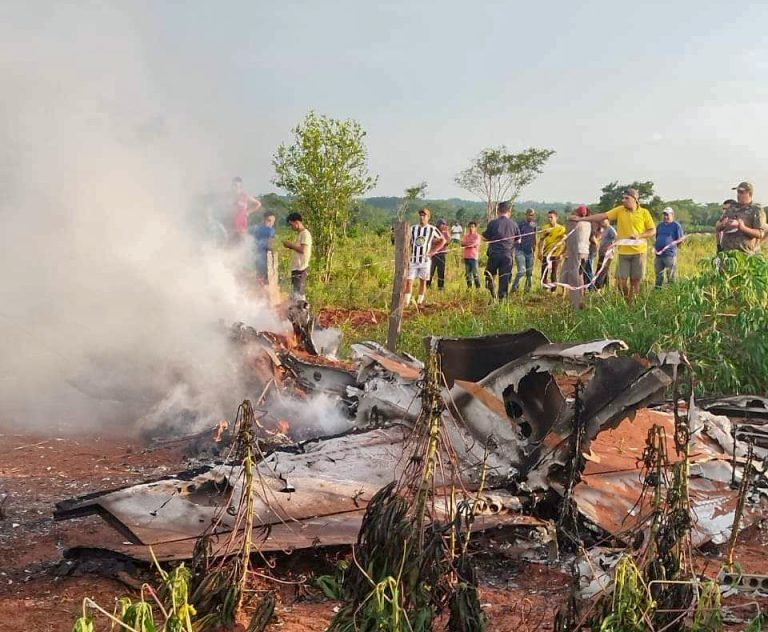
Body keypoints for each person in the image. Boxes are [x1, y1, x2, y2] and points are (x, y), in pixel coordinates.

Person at [572, 188, 655, 302]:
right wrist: (583, 219)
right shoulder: (620, 210)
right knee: (621, 282)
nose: (623, 200)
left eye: (626, 198)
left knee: (635, 281)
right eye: (623, 198)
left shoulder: (644, 213)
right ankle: (627, 301)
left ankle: (632, 306)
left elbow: (652, 230)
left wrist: (639, 235)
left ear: (635, 199)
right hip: (623, 252)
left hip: (639, 252)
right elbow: (602, 216)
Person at [404, 208, 446, 306]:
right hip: (413, 259)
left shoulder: (432, 229)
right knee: (409, 281)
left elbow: (442, 240)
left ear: (428, 217)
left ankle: (419, 302)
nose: (422, 217)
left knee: (423, 281)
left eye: (424, 215)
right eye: (420, 215)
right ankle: (406, 302)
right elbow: (407, 240)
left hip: (425, 260)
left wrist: (433, 251)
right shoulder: (413, 228)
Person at [482, 201, 519, 300]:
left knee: (489, 275)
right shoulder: (514, 224)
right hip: (507, 255)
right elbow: (518, 240)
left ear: (498, 211)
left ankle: (493, 295)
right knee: (504, 278)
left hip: (494, 254)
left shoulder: (493, 223)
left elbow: (484, 237)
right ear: (509, 211)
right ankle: (502, 300)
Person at [715, 182, 766, 254]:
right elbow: (717, 227)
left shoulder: (756, 210)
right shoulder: (732, 208)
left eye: (742, 192)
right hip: (726, 253)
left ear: (750, 194)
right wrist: (723, 224)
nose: (738, 195)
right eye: (738, 192)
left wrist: (742, 227)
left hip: (744, 254)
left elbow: (760, 234)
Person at [561, 205, 592, 309]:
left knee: (574, 275)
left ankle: (576, 301)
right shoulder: (588, 223)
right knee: (580, 274)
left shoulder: (576, 223)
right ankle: (581, 297)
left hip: (576, 251)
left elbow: (569, 218)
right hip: (585, 252)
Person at [282, 212, 312, 300]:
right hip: (297, 269)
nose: (291, 227)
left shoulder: (305, 234)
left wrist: (290, 245)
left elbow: (303, 250)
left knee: (299, 295)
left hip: (301, 269)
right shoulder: (301, 234)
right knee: (296, 294)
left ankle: (304, 313)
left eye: (291, 225)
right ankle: (300, 312)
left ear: (297, 222)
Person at [654, 207, 684, 288]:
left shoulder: (676, 226)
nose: (665, 217)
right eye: (664, 215)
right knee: (658, 275)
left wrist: (673, 248)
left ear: (672, 215)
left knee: (671, 275)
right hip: (659, 255)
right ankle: (658, 291)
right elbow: (657, 237)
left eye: (667, 215)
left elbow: (680, 239)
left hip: (669, 255)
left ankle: (672, 291)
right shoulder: (660, 225)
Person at [538, 210, 566, 291]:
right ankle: (544, 288)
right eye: (548, 217)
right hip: (546, 254)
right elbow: (541, 240)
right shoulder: (545, 228)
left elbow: (565, 240)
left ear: (556, 218)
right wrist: (539, 251)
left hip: (556, 254)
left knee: (554, 272)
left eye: (551, 217)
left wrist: (562, 253)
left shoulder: (561, 228)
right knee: (544, 272)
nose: (550, 219)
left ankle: (553, 290)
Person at [512, 208, 537, 292]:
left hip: (529, 251)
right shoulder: (520, 224)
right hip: (520, 250)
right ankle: (514, 288)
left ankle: (527, 290)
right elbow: (514, 238)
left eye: (533, 215)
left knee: (529, 273)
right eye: (530, 215)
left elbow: (534, 237)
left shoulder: (534, 225)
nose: (531, 216)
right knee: (522, 271)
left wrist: (535, 249)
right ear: (526, 215)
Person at [250, 210, 276, 281]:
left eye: (273, 221)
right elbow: (270, 246)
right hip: (265, 259)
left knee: (259, 278)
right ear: (264, 219)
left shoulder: (256, 228)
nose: (271, 223)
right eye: (269, 220)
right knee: (265, 280)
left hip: (257, 258)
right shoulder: (270, 230)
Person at [428, 219, 451, 290]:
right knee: (430, 270)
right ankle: (427, 285)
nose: (443, 226)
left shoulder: (445, 233)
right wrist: (439, 241)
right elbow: (431, 241)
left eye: (444, 224)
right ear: (438, 225)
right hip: (434, 254)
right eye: (442, 224)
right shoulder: (434, 232)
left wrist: (446, 233)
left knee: (441, 271)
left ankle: (440, 287)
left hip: (442, 254)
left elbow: (448, 241)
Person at [594, 218, 616, 289]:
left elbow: (616, 238)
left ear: (608, 221)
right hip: (602, 253)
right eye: (601, 220)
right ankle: (606, 287)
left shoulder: (611, 229)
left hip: (607, 254)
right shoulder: (604, 230)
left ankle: (598, 288)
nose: (602, 222)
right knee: (603, 270)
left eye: (604, 220)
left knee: (601, 271)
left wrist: (610, 247)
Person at [461, 221, 481, 289]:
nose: (471, 228)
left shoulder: (477, 236)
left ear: (475, 228)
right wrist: (469, 244)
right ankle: (469, 288)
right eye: (470, 226)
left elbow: (474, 244)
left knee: (475, 274)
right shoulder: (466, 236)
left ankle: (478, 288)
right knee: (467, 274)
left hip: (474, 257)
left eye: (472, 227)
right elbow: (462, 243)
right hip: (466, 257)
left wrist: (468, 244)